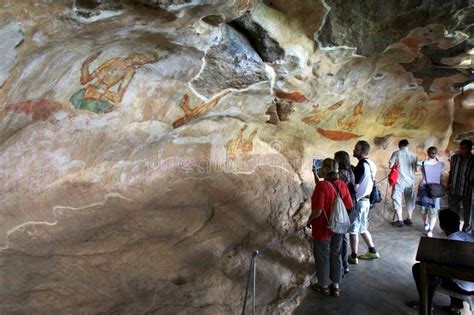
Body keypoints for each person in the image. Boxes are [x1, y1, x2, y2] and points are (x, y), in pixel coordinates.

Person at [407, 209, 474, 314]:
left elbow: (439, 267)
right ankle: (455, 306)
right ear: (458, 223)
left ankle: (426, 304)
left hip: (464, 286)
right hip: (471, 281)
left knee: (419, 268)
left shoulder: (448, 244)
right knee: (453, 270)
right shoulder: (468, 237)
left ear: (442, 226)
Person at [307, 158, 353, 297]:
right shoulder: (341, 185)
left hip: (323, 228)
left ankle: (324, 286)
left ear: (325, 170)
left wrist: (309, 220)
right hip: (338, 228)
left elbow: (318, 211)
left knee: (323, 258)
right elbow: (349, 206)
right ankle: (336, 286)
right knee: (335, 255)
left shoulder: (322, 187)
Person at [348, 140, 380, 264]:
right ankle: (373, 251)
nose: (354, 150)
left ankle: (353, 256)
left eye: (356, 149)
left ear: (362, 151)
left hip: (358, 202)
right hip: (366, 201)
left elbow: (356, 187)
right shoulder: (372, 164)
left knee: (353, 230)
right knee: (362, 227)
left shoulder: (361, 166)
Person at [334, 151, 356, 274]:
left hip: (342, 208)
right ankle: (345, 264)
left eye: (335, 158)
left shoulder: (340, 174)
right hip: (351, 206)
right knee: (344, 237)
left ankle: (341, 266)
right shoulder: (351, 172)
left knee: (340, 238)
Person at [416, 147, 445, 237]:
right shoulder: (441, 164)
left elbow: (416, 169)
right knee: (434, 209)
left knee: (423, 208)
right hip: (436, 189)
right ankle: (430, 231)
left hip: (424, 187)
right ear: (436, 153)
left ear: (427, 153)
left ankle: (426, 224)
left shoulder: (422, 163)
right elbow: (441, 170)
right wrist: (437, 158)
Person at [389, 139, 418, 227]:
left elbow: (390, 165)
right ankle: (409, 218)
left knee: (397, 199)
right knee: (410, 199)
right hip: (410, 181)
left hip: (399, 181)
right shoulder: (414, 155)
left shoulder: (396, 153)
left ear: (399, 145)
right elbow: (416, 169)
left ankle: (400, 220)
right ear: (407, 145)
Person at [448, 139, 474, 233]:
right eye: (461, 148)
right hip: (455, 190)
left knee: (468, 214)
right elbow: (451, 172)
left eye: (465, 148)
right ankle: (454, 230)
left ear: (470, 148)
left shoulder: (473, 160)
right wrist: (449, 185)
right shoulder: (455, 158)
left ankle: (466, 232)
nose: (462, 150)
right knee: (453, 212)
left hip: (468, 191)